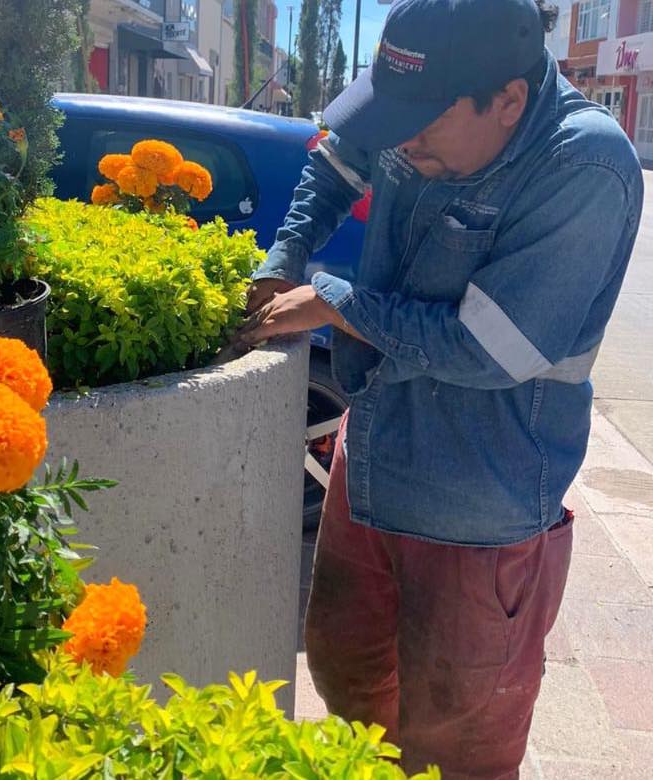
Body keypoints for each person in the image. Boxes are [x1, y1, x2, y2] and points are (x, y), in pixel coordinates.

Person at [237, 0, 643, 777]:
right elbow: (336, 159)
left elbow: (486, 347)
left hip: (479, 508)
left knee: (458, 743)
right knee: (346, 679)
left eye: (420, 124)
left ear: (510, 102)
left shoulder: (585, 167)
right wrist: (283, 258)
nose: (401, 140)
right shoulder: (416, 114)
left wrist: (332, 300)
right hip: (375, 461)